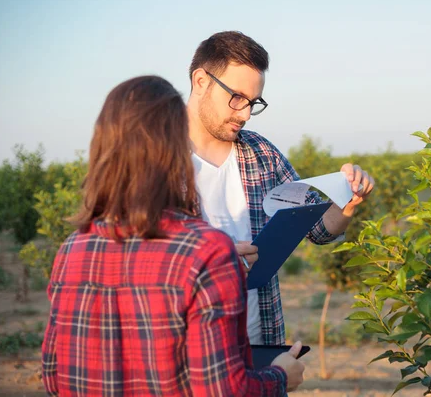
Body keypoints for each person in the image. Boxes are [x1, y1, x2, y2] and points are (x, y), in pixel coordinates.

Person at [41, 75, 304, 396]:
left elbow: (54, 376)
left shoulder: (72, 250)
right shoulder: (206, 252)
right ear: (176, 147)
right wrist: (279, 376)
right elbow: (221, 389)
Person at [187, 31, 375, 346]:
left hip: (259, 346)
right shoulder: (153, 163)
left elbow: (319, 229)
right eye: (236, 98)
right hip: (190, 352)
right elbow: (130, 262)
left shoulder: (263, 154)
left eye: (253, 103)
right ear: (201, 81)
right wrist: (214, 261)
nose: (244, 114)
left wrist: (349, 200)